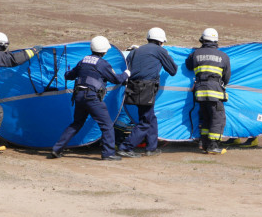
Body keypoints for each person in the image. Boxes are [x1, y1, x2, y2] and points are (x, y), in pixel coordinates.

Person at [49, 36, 130, 161]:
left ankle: (57, 149)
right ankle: (108, 153)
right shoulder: (102, 63)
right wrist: (126, 74)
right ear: (104, 50)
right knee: (107, 125)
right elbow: (117, 79)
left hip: (79, 96)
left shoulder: (84, 60)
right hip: (92, 98)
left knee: (76, 123)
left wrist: (67, 72)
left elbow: (69, 76)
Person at [117, 27, 178, 158]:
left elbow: (127, 68)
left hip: (132, 88)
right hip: (146, 89)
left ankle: (151, 147)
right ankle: (126, 147)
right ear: (161, 41)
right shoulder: (159, 50)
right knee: (145, 121)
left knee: (150, 117)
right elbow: (173, 70)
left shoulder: (135, 51)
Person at [186, 28, 231, 155]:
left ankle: (204, 143)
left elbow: (188, 65)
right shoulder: (223, 56)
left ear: (202, 39)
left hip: (200, 92)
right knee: (218, 118)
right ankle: (213, 146)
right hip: (215, 91)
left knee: (205, 117)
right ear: (216, 41)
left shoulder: (196, 54)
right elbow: (226, 77)